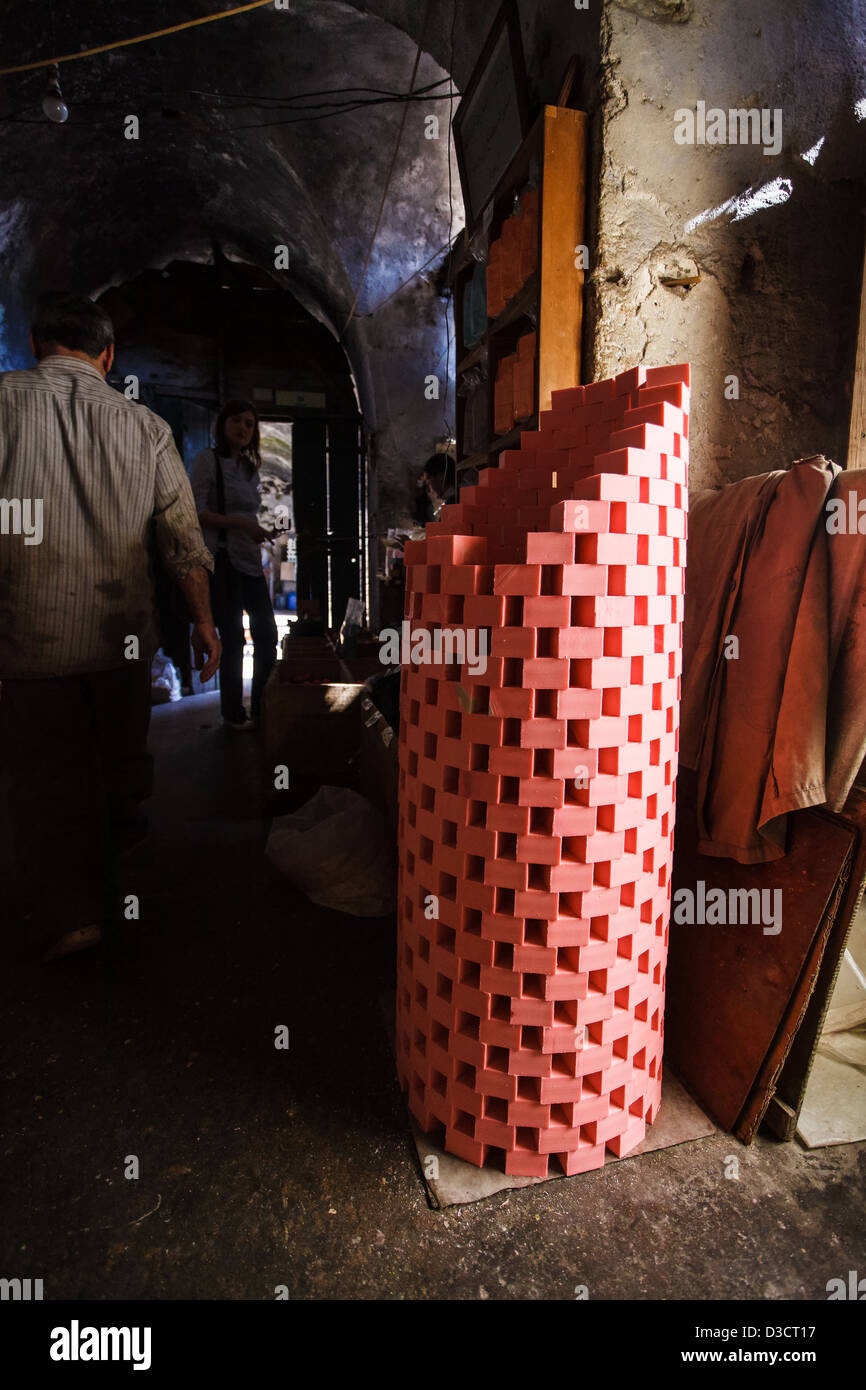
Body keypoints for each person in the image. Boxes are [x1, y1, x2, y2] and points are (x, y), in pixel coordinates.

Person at [0, 292, 221, 962]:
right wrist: (206, 624)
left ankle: (67, 915)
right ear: (108, 355)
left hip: (24, 645)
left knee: (40, 783)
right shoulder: (147, 428)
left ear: (37, 342)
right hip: (119, 644)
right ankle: (111, 904)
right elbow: (182, 543)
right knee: (113, 775)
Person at [189, 401, 278, 730]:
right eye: (237, 421)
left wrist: (258, 531)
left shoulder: (249, 469)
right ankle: (231, 712)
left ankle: (261, 708)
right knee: (233, 639)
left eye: (250, 424)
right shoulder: (207, 461)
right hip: (223, 559)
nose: (243, 428)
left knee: (267, 635)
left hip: (249, 560)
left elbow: (248, 515)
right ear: (223, 423)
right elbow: (197, 513)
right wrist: (243, 526)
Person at [413, 452, 456, 525]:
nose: (429, 490)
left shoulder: (454, 503)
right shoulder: (455, 499)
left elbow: (442, 535)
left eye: (429, 480)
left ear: (441, 476)